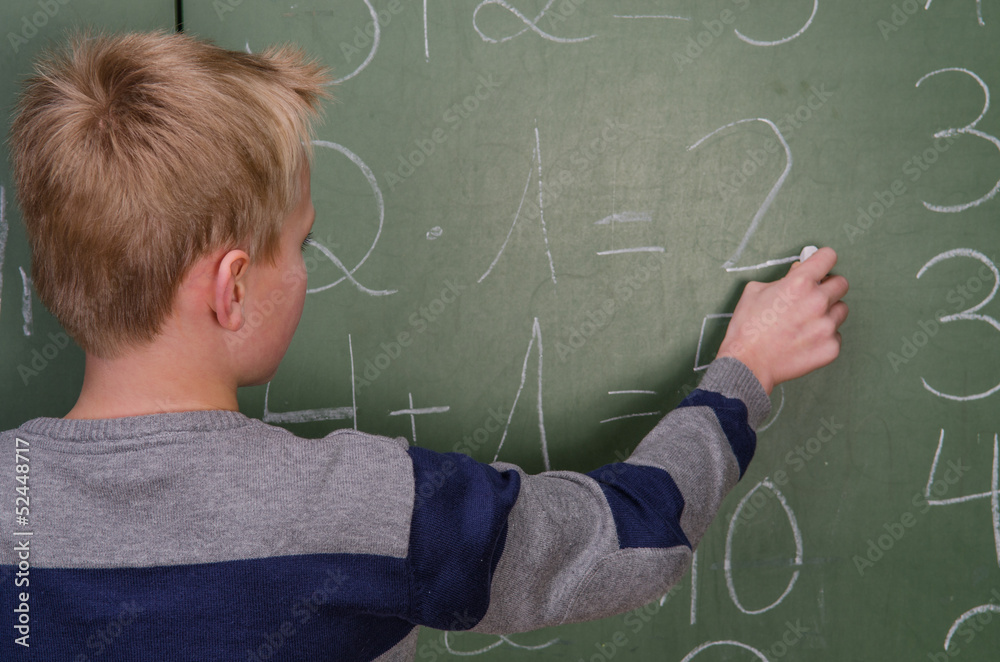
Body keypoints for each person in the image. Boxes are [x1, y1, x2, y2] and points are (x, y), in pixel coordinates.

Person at [0, 30, 848, 661]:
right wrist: (746, 372)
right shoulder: (372, 506)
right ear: (231, 290)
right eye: (298, 243)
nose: (302, 267)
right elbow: (632, 538)